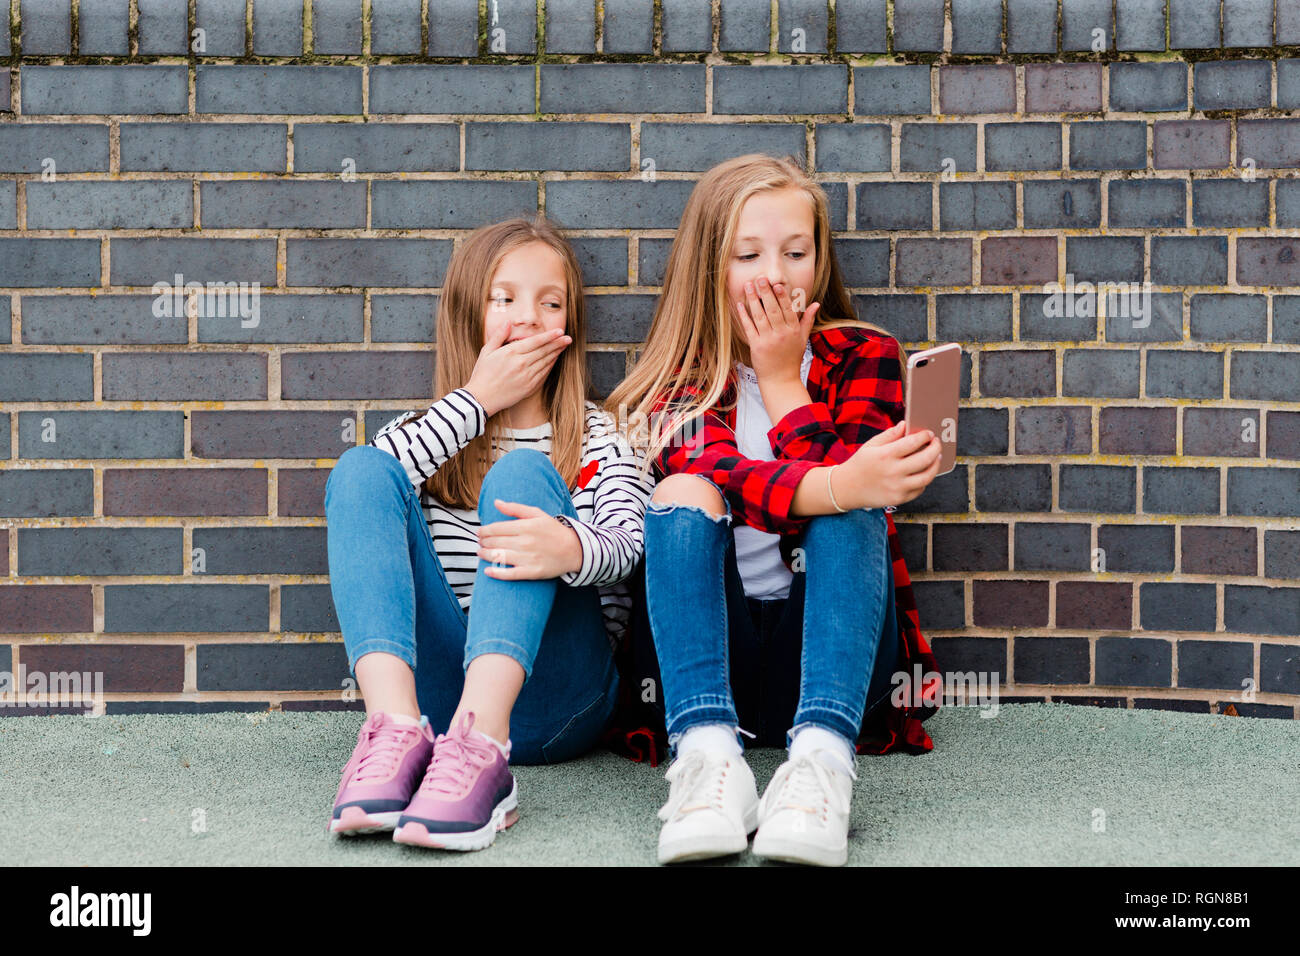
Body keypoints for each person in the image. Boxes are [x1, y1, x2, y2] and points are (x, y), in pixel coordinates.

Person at [605, 154, 944, 866]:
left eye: (796, 252)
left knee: (854, 507)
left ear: (820, 260)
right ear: (710, 267)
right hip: (709, 657)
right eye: (748, 254)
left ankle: (821, 764)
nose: (776, 274)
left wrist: (789, 380)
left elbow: (840, 505)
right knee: (683, 494)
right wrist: (845, 480)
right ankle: (707, 762)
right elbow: (726, 478)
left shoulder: (866, 356)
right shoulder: (678, 381)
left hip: (832, 655)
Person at [323, 216, 653, 851]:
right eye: (504, 299)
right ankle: (393, 731)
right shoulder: (431, 431)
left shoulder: (601, 435)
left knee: (523, 473)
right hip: (441, 703)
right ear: (469, 315)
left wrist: (571, 546)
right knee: (362, 466)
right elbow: (362, 498)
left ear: (568, 327)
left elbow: (633, 546)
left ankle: (487, 750)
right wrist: (475, 401)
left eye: (549, 303)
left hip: (557, 699)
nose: (527, 318)